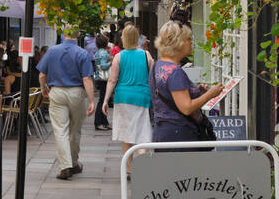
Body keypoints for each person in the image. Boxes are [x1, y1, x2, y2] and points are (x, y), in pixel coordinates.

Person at [151, 21, 224, 142]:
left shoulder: (157, 66)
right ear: (178, 43)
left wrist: (196, 92)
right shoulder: (175, 72)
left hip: (162, 131)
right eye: (188, 38)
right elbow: (186, 108)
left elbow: (170, 96)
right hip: (180, 133)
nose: (191, 42)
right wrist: (210, 94)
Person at [37, 29, 94, 180]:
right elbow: (87, 79)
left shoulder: (52, 51)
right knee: (75, 129)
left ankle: (65, 166)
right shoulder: (83, 53)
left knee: (60, 130)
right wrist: (92, 100)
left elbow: (42, 75)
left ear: (63, 33)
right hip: (77, 92)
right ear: (78, 35)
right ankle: (74, 163)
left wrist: (44, 89)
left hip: (57, 92)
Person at [103, 24, 154, 153]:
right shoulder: (146, 55)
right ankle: (142, 168)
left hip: (123, 97)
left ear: (123, 38)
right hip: (142, 97)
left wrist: (105, 100)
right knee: (142, 135)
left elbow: (112, 80)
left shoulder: (119, 57)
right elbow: (153, 78)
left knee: (127, 135)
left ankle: (129, 170)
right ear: (137, 38)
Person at [92, 34, 113, 131]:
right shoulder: (104, 53)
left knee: (103, 100)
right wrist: (111, 62)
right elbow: (104, 66)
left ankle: (104, 122)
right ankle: (98, 122)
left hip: (99, 78)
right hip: (104, 79)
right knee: (103, 101)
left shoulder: (98, 52)